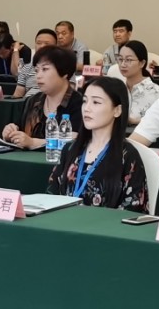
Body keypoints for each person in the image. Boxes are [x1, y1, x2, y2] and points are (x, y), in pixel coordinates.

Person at [49, 77, 150, 211]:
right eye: (85, 101)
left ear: (117, 110)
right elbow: (51, 195)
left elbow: (133, 210)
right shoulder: (70, 149)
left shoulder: (128, 155)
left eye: (96, 102)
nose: (87, 108)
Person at [2, 45, 81, 149]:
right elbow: (19, 128)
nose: (38, 76)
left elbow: (72, 140)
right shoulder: (32, 101)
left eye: (45, 69)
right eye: (37, 70)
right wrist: (11, 131)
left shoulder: (79, 103)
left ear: (64, 72)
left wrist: (33, 143)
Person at [115, 39, 159, 124]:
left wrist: (136, 121)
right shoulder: (116, 90)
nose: (123, 64)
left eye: (128, 60)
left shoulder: (156, 93)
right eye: (120, 59)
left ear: (142, 63)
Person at [14, 29, 58, 97]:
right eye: (38, 43)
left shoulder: (62, 67)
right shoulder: (27, 67)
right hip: (29, 101)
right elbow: (17, 95)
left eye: (47, 43)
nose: (42, 46)